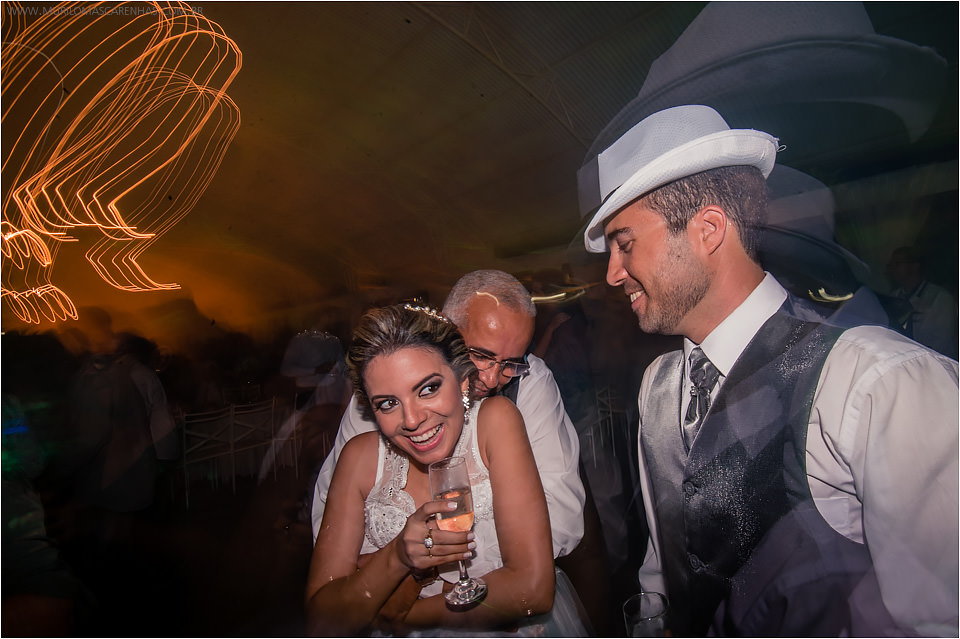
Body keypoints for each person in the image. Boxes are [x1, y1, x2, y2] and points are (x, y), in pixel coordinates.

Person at [579, 104, 959, 636]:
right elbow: (666, 562)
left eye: (624, 244)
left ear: (708, 229)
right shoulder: (656, 386)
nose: (613, 274)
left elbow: (938, 620)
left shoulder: (877, 382)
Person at [304, 304, 588, 636]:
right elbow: (322, 624)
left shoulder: (495, 422)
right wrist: (398, 557)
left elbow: (532, 589)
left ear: (464, 382)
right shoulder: (357, 458)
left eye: (428, 389)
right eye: (388, 403)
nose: (412, 420)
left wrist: (402, 617)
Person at [310, 271, 585, 560]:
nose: (491, 379)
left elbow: (562, 520)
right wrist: (395, 567)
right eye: (480, 355)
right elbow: (330, 525)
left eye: (510, 363)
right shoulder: (387, 392)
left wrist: (439, 564)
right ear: (446, 330)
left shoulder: (529, 381)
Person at [887, 245, 959, 359]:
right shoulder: (892, 298)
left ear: (915, 266)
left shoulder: (940, 298)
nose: (892, 268)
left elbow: (944, 342)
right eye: (891, 265)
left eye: (898, 264)